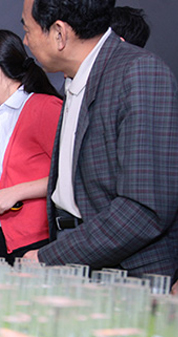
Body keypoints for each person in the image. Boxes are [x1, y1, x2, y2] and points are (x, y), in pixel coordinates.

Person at [21, 0, 178, 279]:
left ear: (59, 33)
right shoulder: (75, 80)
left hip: (127, 277)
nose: (25, 40)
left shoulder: (137, 72)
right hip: (81, 258)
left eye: (28, 29)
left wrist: (50, 257)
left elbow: (143, 209)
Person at [0, 30, 62, 265]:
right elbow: (0, 175)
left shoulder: (45, 107)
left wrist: (16, 192)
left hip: (31, 242)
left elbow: (71, 177)